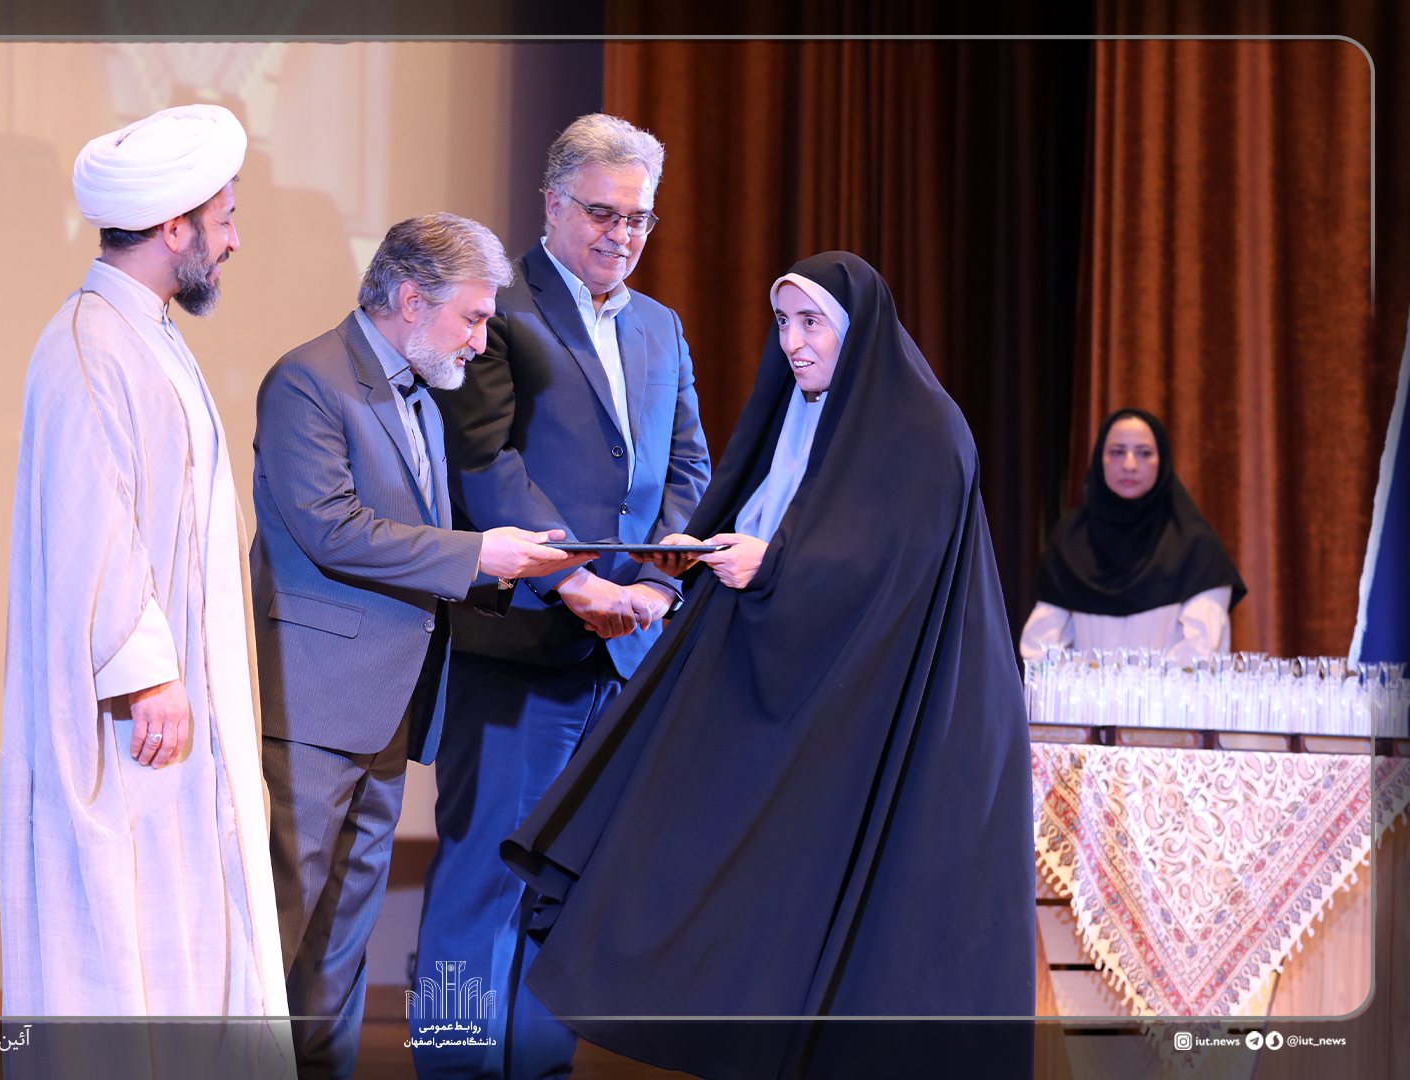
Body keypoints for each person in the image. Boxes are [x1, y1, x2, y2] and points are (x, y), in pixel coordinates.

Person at [500, 252, 1036, 1079]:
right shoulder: (795, 411)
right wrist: (705, 548)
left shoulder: (925, 427)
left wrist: (776, 565)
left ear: (858, 329)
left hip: (882, 708)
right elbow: (767, 515)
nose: (792, 342)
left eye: (811, 322)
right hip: (792, 683)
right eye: (782, 322)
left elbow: (898, 570)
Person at [252, 213, 593, 1079]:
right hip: (315, 707)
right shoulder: (308, 379)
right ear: (411, 299)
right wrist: (481, 554)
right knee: (279, 937)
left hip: (392, 707)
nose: (480, 341)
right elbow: (332, 529)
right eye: (472, 318)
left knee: (340, 946)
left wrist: (511, 571)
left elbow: (415, 542)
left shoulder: (420, 398)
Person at [414, 112, 708, 1079]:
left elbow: (688, 468)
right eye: (602, 213)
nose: (622, 234)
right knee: (481, 886)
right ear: (551, 204)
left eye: (639, 218)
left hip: (624, 657)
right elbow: (483, 465)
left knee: (570, 895)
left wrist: (658, 574)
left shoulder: (661, 327)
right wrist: (572, 580)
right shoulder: (497, 309)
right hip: (520, 650)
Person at [1, 104, 290, 1033]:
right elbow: (95, 523)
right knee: (126, 934)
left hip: (178, 699)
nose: (234, 241)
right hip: (139, 709)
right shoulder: (91, 342)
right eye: (225, 219)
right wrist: (148, 673)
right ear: (174, 227)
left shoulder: (147, 334)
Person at [1022, 408, 1245, 662]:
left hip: (1170, 688)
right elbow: (1040, 650)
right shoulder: (1069, 541)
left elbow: (1201, 654)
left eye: (1144, 453)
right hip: (1083, 688)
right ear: (1100, 459)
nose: (1129, 465)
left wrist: (1135, 685)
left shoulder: (1197, 545)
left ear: (1162, 461)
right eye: (1117, 452)